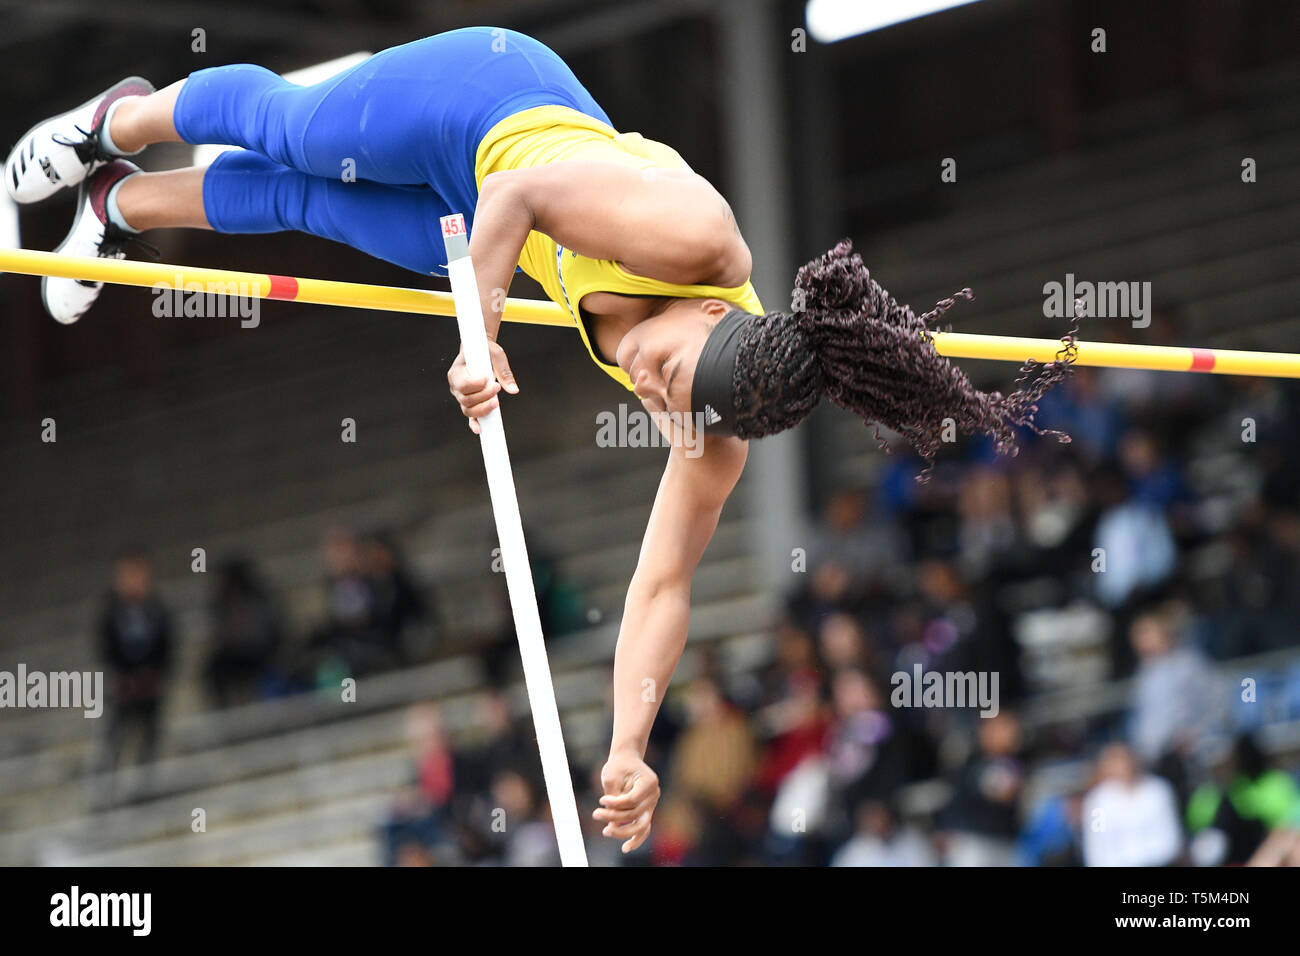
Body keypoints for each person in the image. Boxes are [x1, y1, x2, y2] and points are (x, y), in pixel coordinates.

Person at [10, 27, 1077, 853]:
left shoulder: (715, 429)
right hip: (485, 104)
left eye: (670, 401)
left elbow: (662, 589)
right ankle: (121, 119)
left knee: (309, 207)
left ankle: (120, 206)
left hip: (488, 214)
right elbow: (518, 190)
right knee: (293, 131)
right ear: (711, 309)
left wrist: (629, 747)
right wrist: (479, 335)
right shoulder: (693, 233)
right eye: (666, 371)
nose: (652, 390)